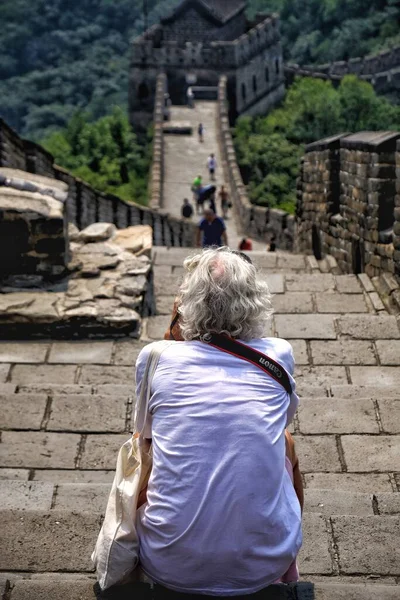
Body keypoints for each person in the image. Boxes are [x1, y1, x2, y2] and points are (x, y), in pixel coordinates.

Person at [135, 247, 302, 596]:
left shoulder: (156, 357)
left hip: (168, 562)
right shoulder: (279, 353)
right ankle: (283, 565)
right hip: (262, 565)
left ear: (185, 304)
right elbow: (282, 421)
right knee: (286, 444)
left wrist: (173, 330)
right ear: (256, 298)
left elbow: (144, 433)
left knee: (148, 448)